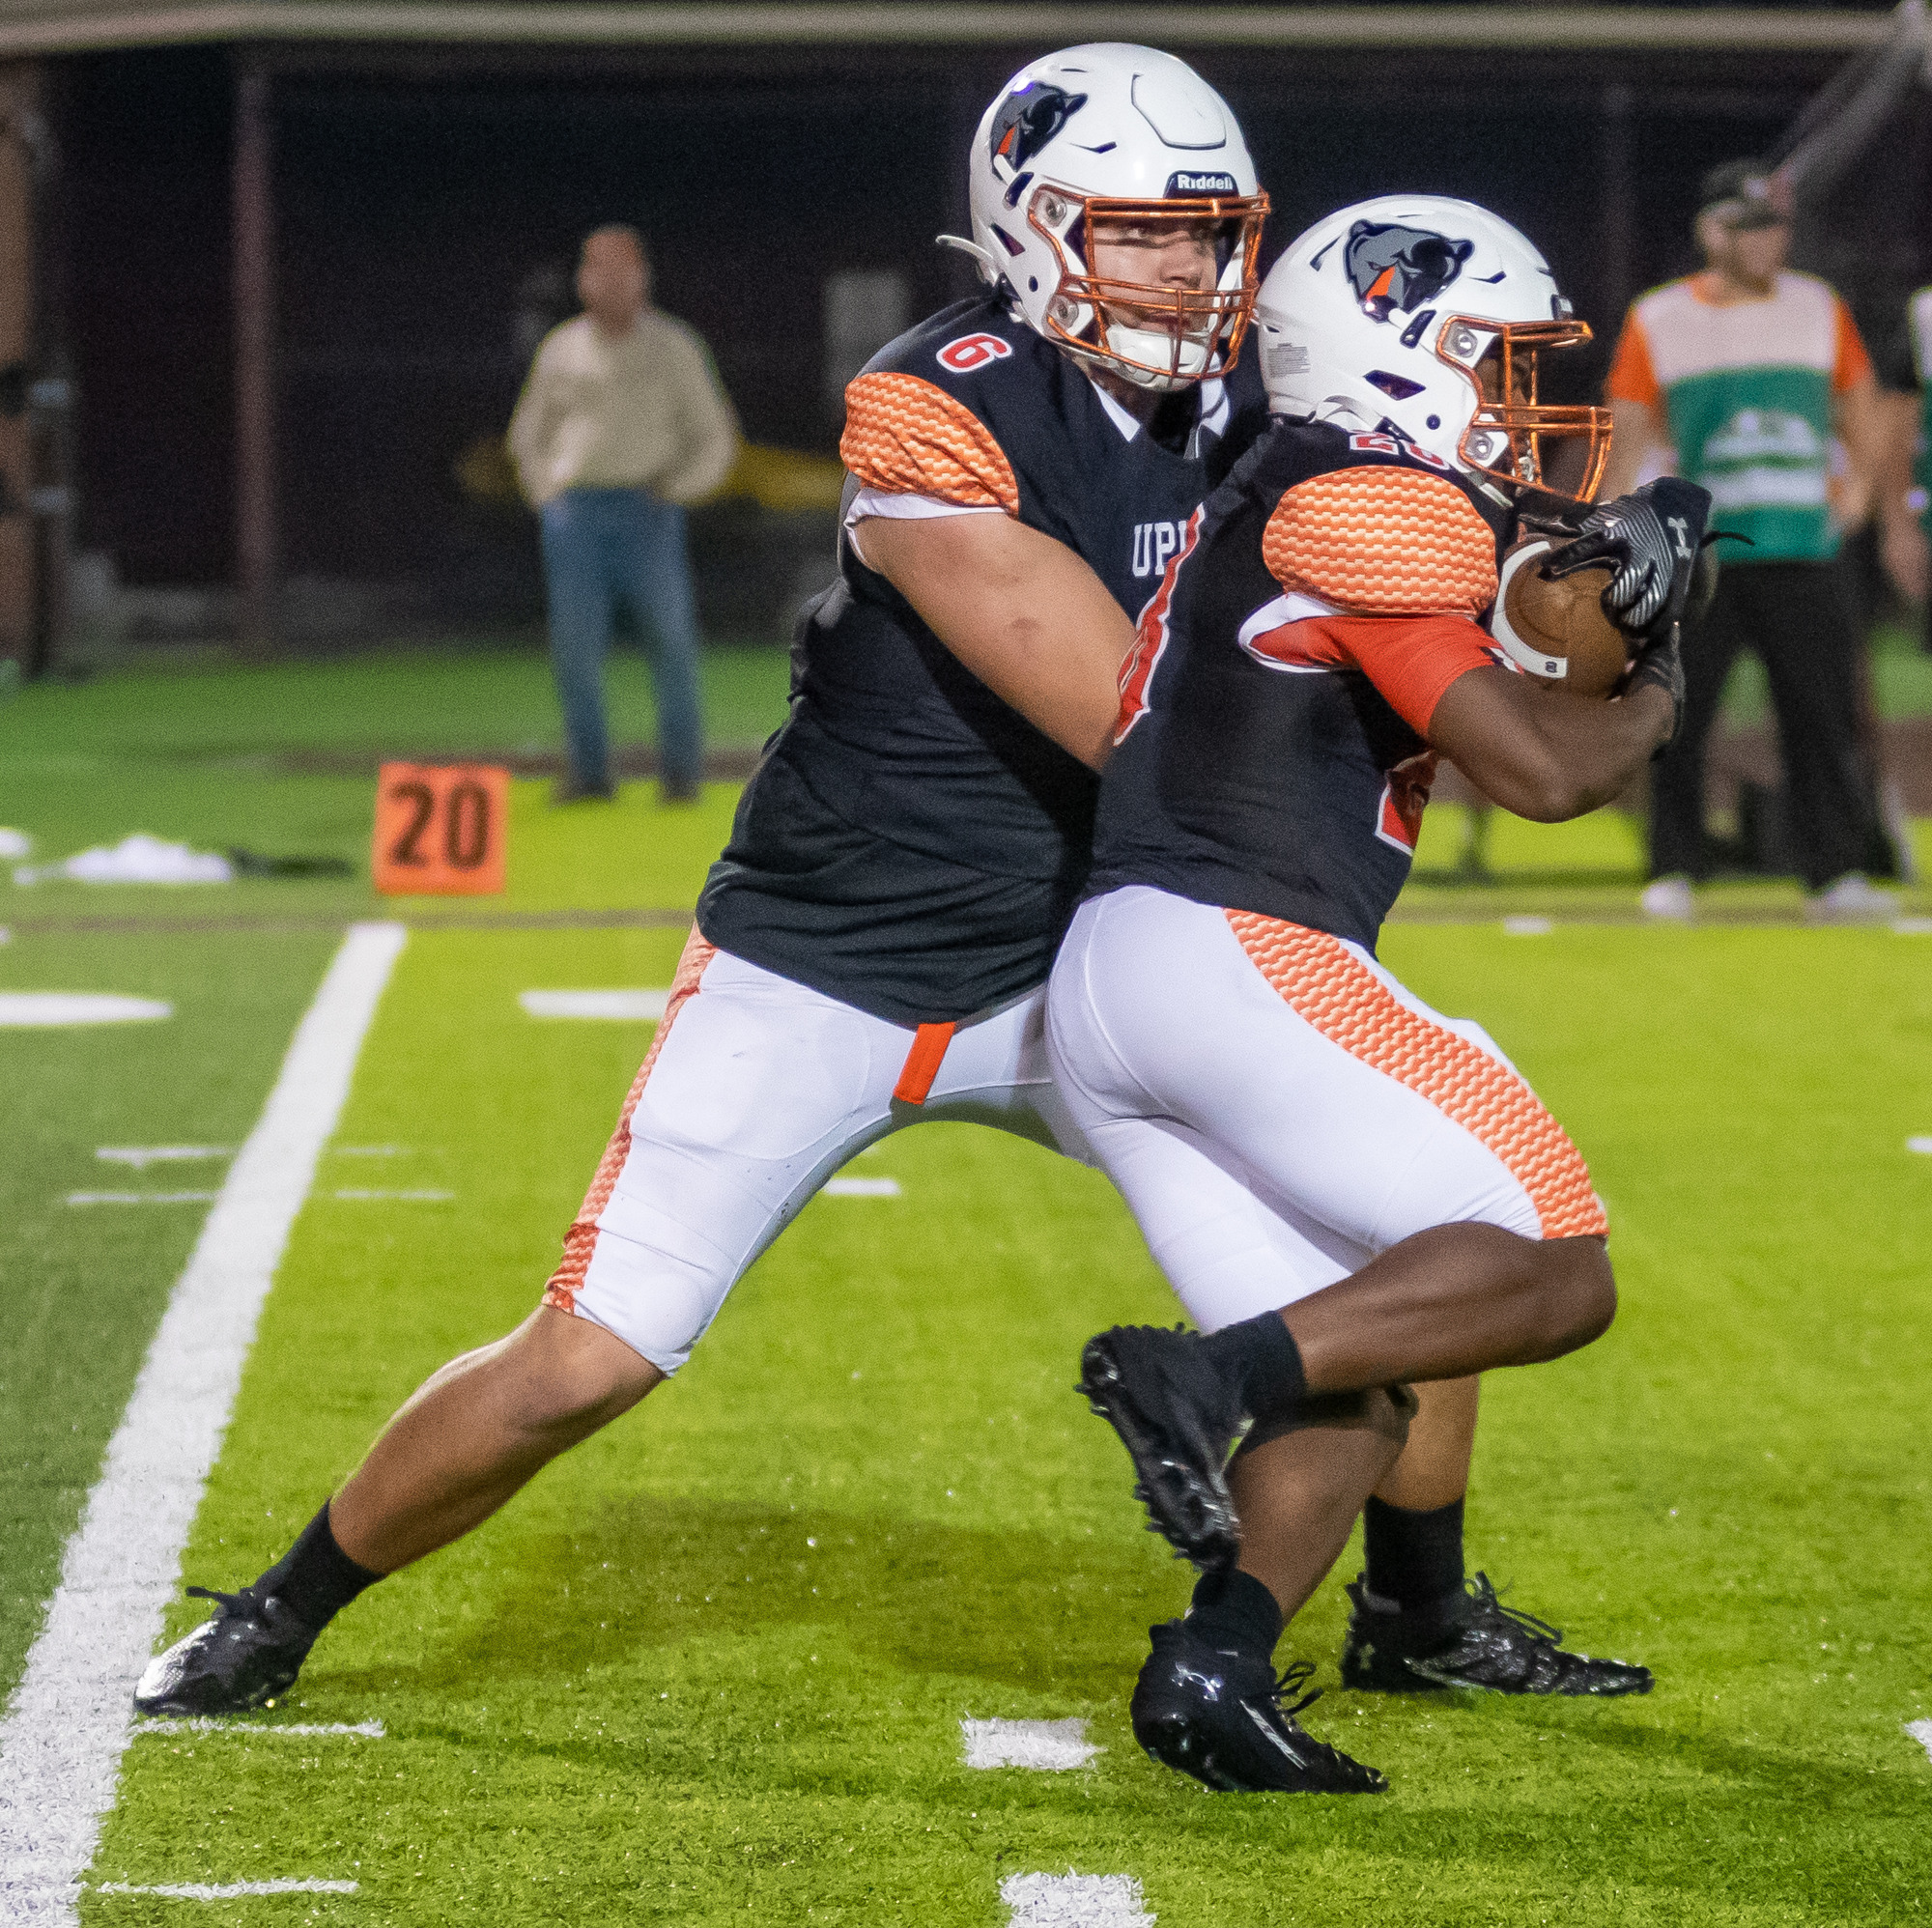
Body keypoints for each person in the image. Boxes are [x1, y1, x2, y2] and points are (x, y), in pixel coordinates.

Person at [132, 44, 1275, 1717]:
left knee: (1374, 1243)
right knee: (587, 1353)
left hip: (1083, 966)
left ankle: (1417, 1599)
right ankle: (283, 1606)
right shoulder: (943, 398)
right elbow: (1135, 719)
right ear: (1031, 231)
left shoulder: (1246, 410)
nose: (1186, 271)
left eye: (1209, 233)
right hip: (830, 963)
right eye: (1141, 232)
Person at [1048, 195, 1706, 1792]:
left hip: (1126, 977)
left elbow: (1515, 672)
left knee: (1374, 1332)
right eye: (1494, 356)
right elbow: (1541, 772)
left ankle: (1220, 1663)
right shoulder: (1365, 500)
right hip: (1228, 948)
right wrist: (1665, 677)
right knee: (1555, 1262)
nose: (1523, 396)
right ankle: (1190, 1383)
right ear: (1390, 352)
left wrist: (1587, 610)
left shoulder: (1311, 490)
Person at [1602, 160, 1892, 921]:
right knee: (1675, 714)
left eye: (1775, 228)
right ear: (1711, 231)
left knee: (1822, 716)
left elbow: (1859, 403)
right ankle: (1672, 869)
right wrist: (1615, 528)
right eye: (1750, 228)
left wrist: (1859, 491)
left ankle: (1835, 874)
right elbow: (1627, 427)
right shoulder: (1659, 317)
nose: (1768, 243)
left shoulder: (1817, 306)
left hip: (1804, 547)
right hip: (1705, 553)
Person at [508, 224, 739, 805]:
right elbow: (527, 434)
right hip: (577, 512)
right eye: (598, 269)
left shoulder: (674, 346)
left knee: (672, 643)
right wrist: (547, 495)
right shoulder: (562, 347)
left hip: (649, 507)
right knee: (575, 649)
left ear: (643, 277)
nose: (610, 282)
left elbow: (714, 435)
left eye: (623, 270)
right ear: (583, 280)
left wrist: (683, 487)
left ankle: (682, 776)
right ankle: (589, 775)